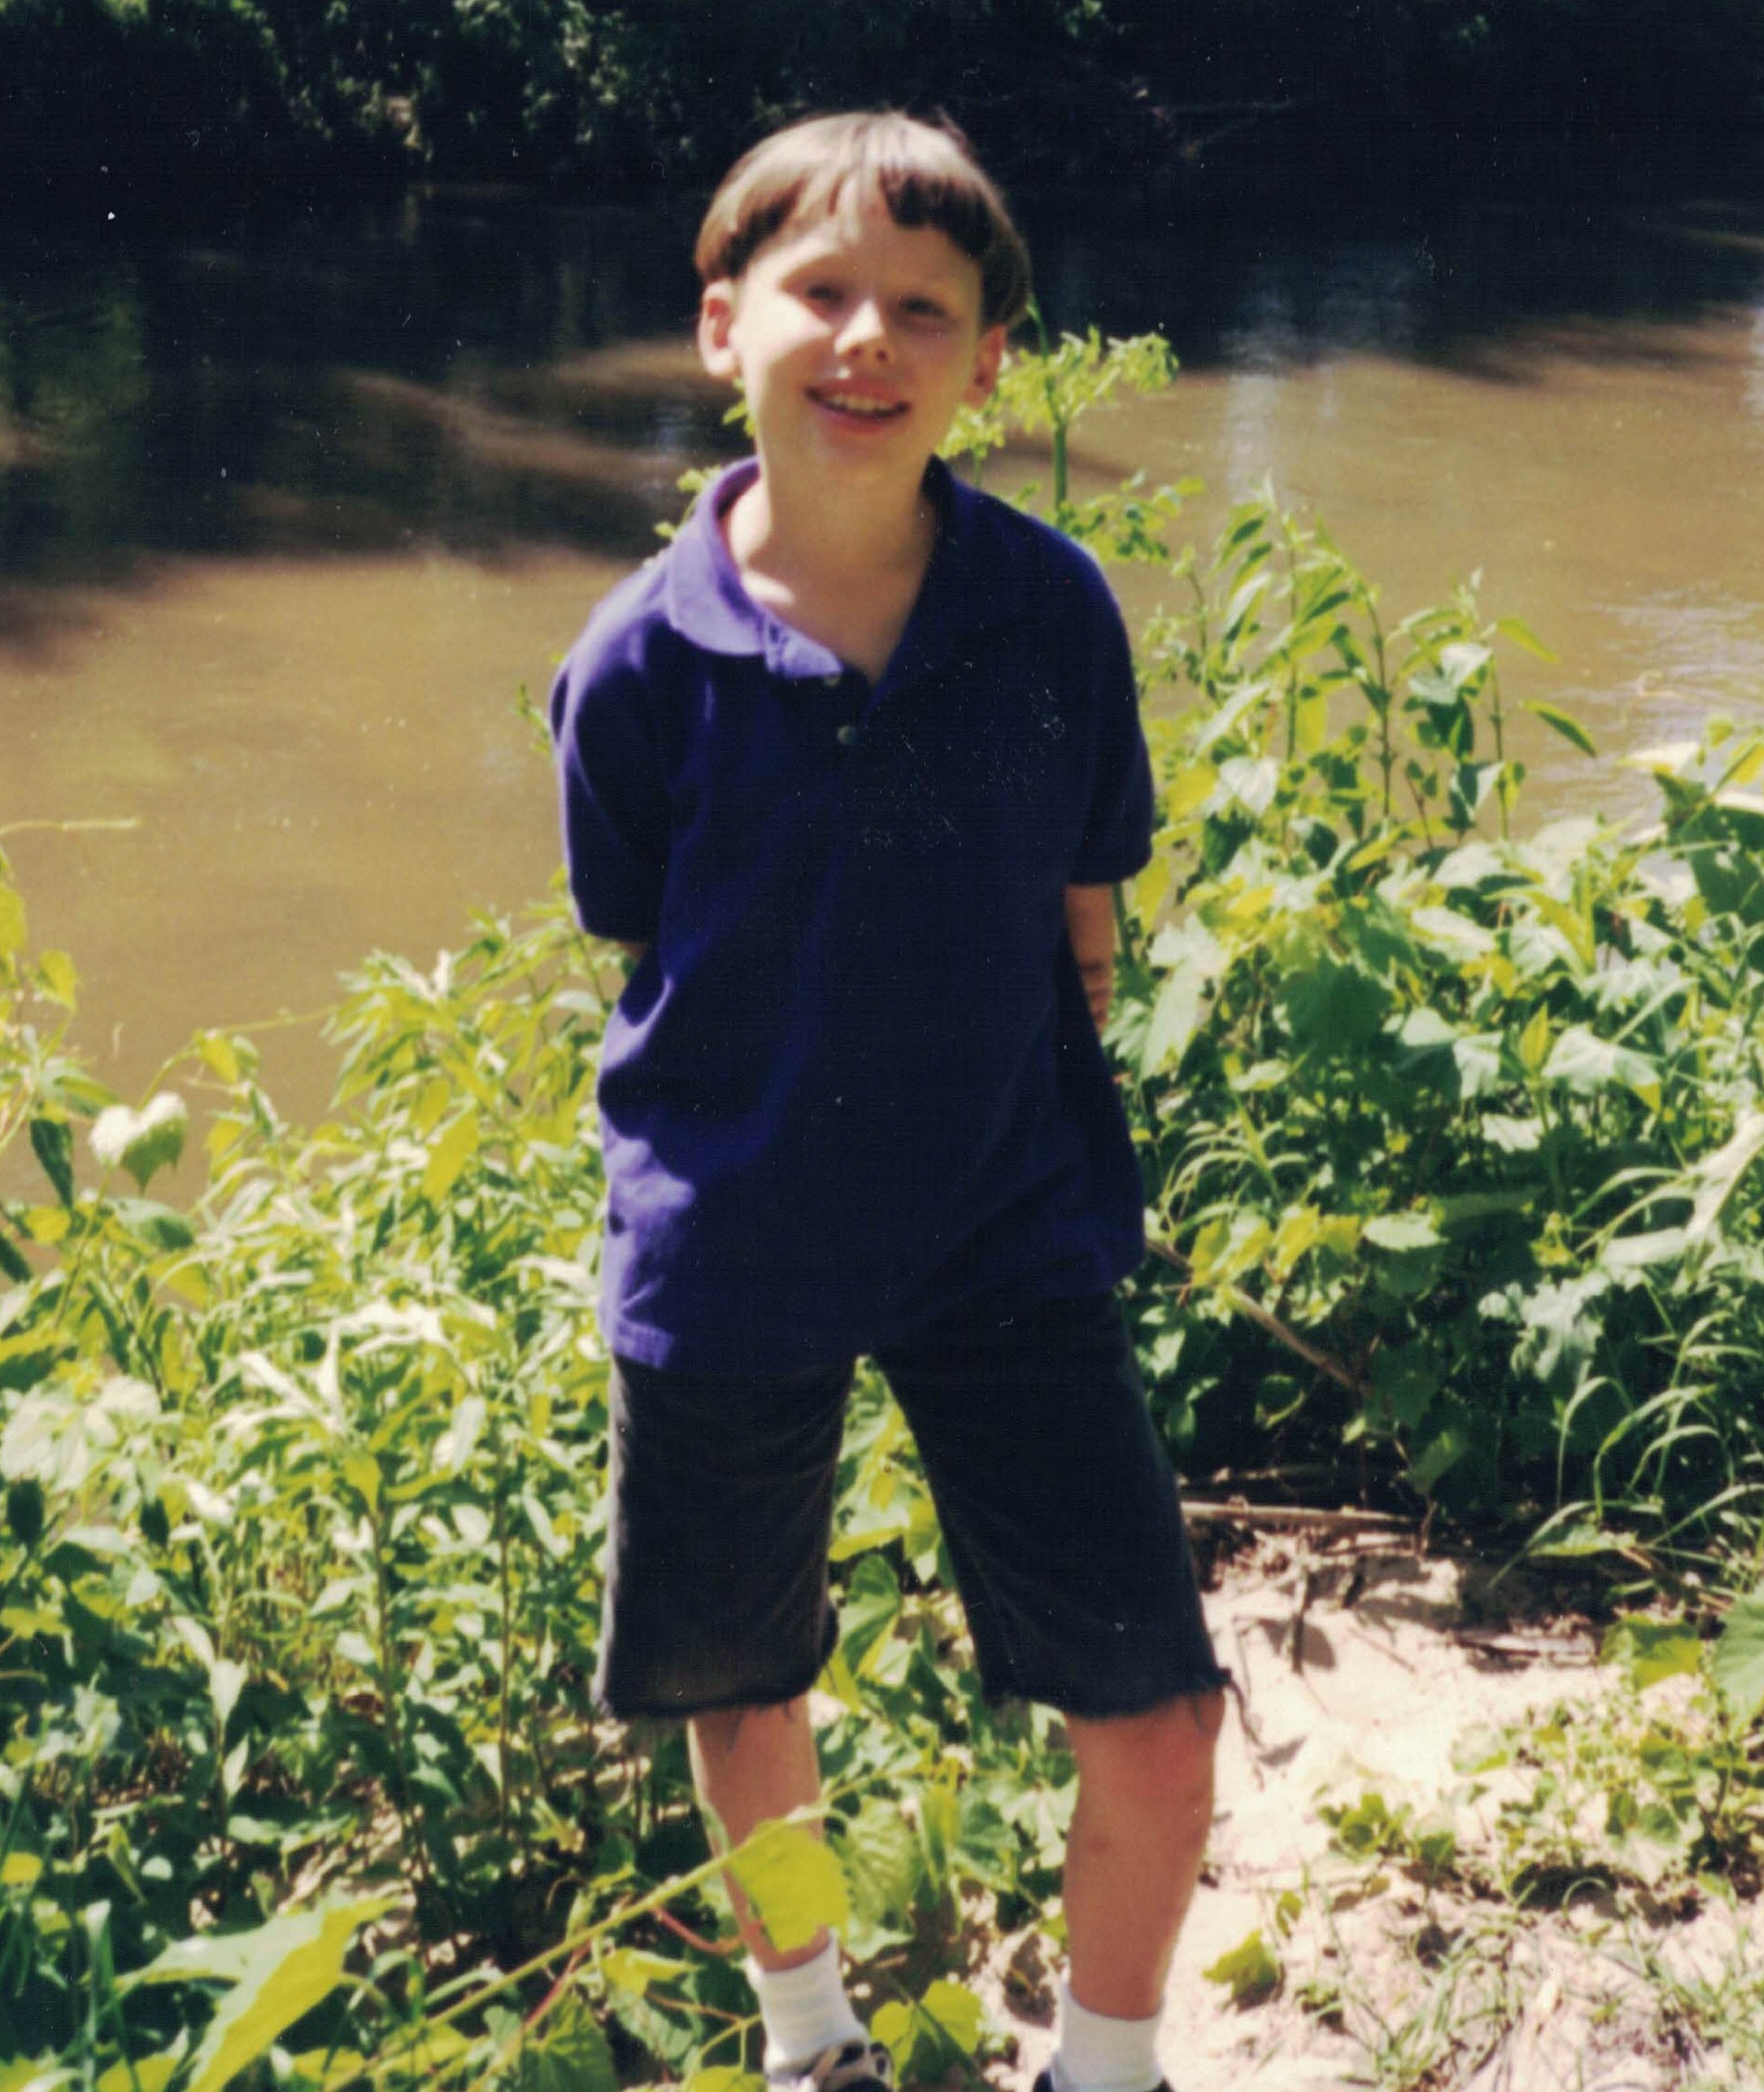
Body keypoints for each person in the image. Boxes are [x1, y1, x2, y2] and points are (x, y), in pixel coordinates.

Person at [550, 110, 1224, 2092]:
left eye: (922, 308)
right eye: (820, 291)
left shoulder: (1052, 611)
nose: (867, 338)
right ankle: (809, 2041)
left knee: (1159, 1707)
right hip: (728, 1236)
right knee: (742, 1675)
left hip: (1006, 1228)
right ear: (721, 326)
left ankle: (1108, 2068)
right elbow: (638, 922)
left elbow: (1085, 908)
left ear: (988, 361)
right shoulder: (634, 662)